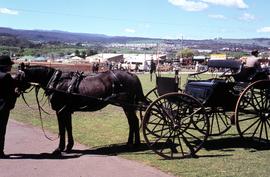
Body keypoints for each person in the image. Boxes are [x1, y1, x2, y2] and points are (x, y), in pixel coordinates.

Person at [0, 55, 18, 158]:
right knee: (1, 130)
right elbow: (11, 92)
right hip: (2, 107)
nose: (10, 67)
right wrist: (17, 93)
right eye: (9, 65)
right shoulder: (6, 77)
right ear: (5, 66)